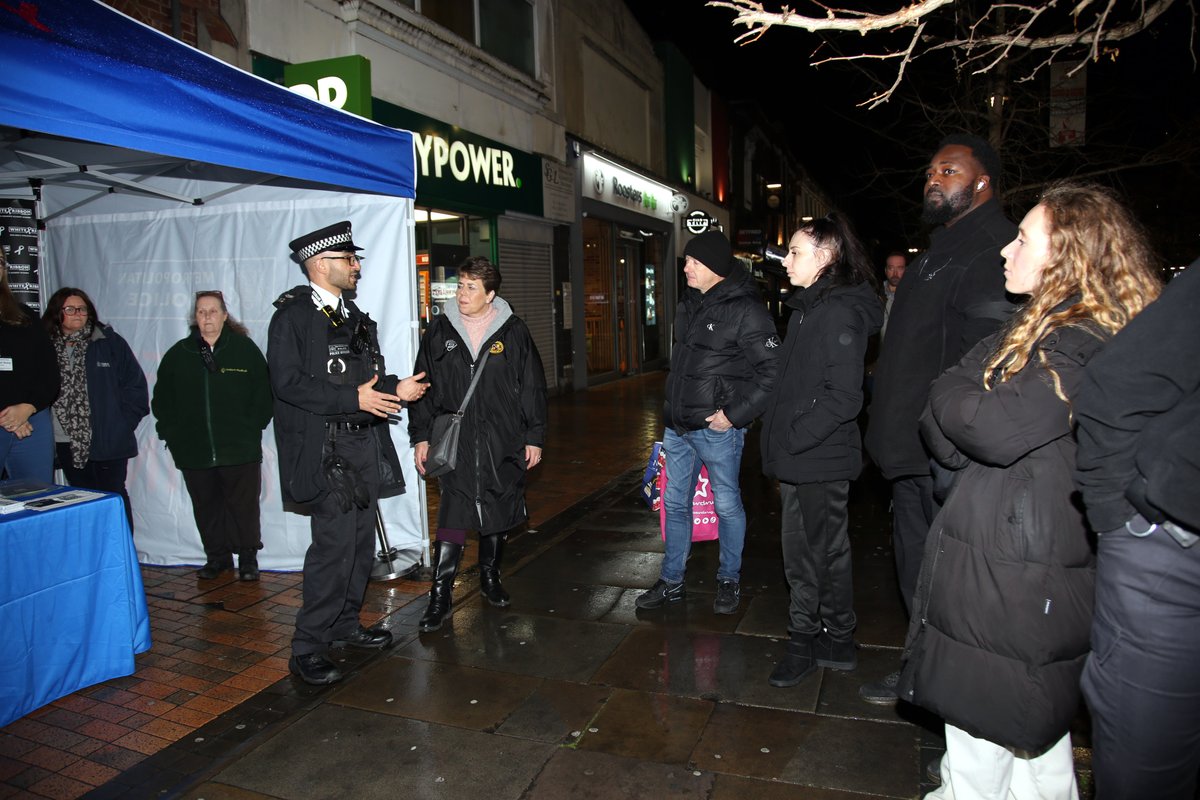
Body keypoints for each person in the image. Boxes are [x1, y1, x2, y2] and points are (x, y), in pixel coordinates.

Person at [897, 182, 1160, 799]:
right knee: (1029, 739)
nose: (1005, 252)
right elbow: (957, 402)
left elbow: (982, 423)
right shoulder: (1037, 329)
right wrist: (957, 404)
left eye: (1023, 239)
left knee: (987, 738)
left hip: (1020, 575)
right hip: (1007, 563)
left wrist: (950, 401)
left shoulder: (1078, 342)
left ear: (1066, 258)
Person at [860, 133, 1017, 703]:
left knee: (952, 587)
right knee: (917, 574)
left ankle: (957, 712)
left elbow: (988, 361)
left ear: (982, 183)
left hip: (945, 457)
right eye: (930, 170)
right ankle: (921, 676)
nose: (933, 178)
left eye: (948, 170)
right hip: (911, 455)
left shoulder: (993, 248)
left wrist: (946, 444)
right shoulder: (937, 252)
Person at [268, 220, 428, 686]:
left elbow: (361, 378)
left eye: (355, 259)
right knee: (333, 549)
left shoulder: (353, 316)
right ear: (320, 264)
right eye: (348, 259)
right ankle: (307, 647)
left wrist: (395, 386)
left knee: (360, 544)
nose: (357, 266)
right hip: (325, 450)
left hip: (360, 444)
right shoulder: (292, 318)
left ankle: (343, 625)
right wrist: (352, 401)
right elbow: (287, 383)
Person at [1075, 257, 1199, 800]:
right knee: (1145, 767)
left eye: (1021, 240)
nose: (1006, 251)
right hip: (1174, 554)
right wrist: (1120, 521)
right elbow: (1119, 383)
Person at [760, 214, 882, 687]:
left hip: (818, 457)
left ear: (826, 257)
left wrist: (792, 436)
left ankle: (809, 640)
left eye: (795, 252)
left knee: (814, 554)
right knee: (811, 552)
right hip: (807, 456)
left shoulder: (835, 312)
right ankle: (834, 639)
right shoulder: (811, 306)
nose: (786, 260)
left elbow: (844, 397)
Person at [636, 229, 780, 614]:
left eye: (694, 262)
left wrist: (734, 415)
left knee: (727, 506)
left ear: (716, 267)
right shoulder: (688, 303)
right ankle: (671, 582)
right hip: (678, 426)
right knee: (673, 503)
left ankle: (729, 579)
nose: (686, 267)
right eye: (686, 260)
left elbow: (773, 372)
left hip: (717, 431)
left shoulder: (747, 309)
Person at [408, 256, 547, 632]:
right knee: (453, 513)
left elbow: (532, 386)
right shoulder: (440, 330)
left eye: (471, 287)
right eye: (460, 285)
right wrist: (420, 436)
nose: (462, 293)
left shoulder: (513, 331)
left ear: (491, 295)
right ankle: (440, 595)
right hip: (455, 440)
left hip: (503, 438)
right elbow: (422, 387)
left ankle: (490, 578)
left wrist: (534, 436)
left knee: (497, 509)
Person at [152, 291, 273, 580]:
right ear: (194, 317)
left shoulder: (244, 350)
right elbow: (162, 400)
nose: (207, 317)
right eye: (201, 312)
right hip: (194, 450)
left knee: (243, 506)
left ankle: (247, 559)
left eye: (213, 311)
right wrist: (172, 433)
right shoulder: (179, 354)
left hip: (239, 448)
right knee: (206, 506)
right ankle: (217, 557)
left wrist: (252, 426)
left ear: (224, 315)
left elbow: (264, 392)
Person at [41, 288, 148, 530]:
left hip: (108, 439)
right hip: (66, 441)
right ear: (57, 314)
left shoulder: (108, 342)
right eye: (70, 309)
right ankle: (95, 559)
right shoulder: (46, 347)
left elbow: (136, 387)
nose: (78, 313)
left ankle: (121, 557)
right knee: (85, 500)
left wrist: (120, 424)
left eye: (82, 308)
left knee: (113, 498)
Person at [0, 249, 59, 483]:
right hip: (11, 417)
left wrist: (28, 408)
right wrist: (9, 416)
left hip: (31, 419)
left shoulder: (24, 316)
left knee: (38, 498)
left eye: (1, 261)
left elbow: (48, 372)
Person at [881, 251, 906, 338]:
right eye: (891, 268)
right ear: (886, 270)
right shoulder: (875, 296)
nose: (895, 274)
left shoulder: (914, 297)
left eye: (900, 268)